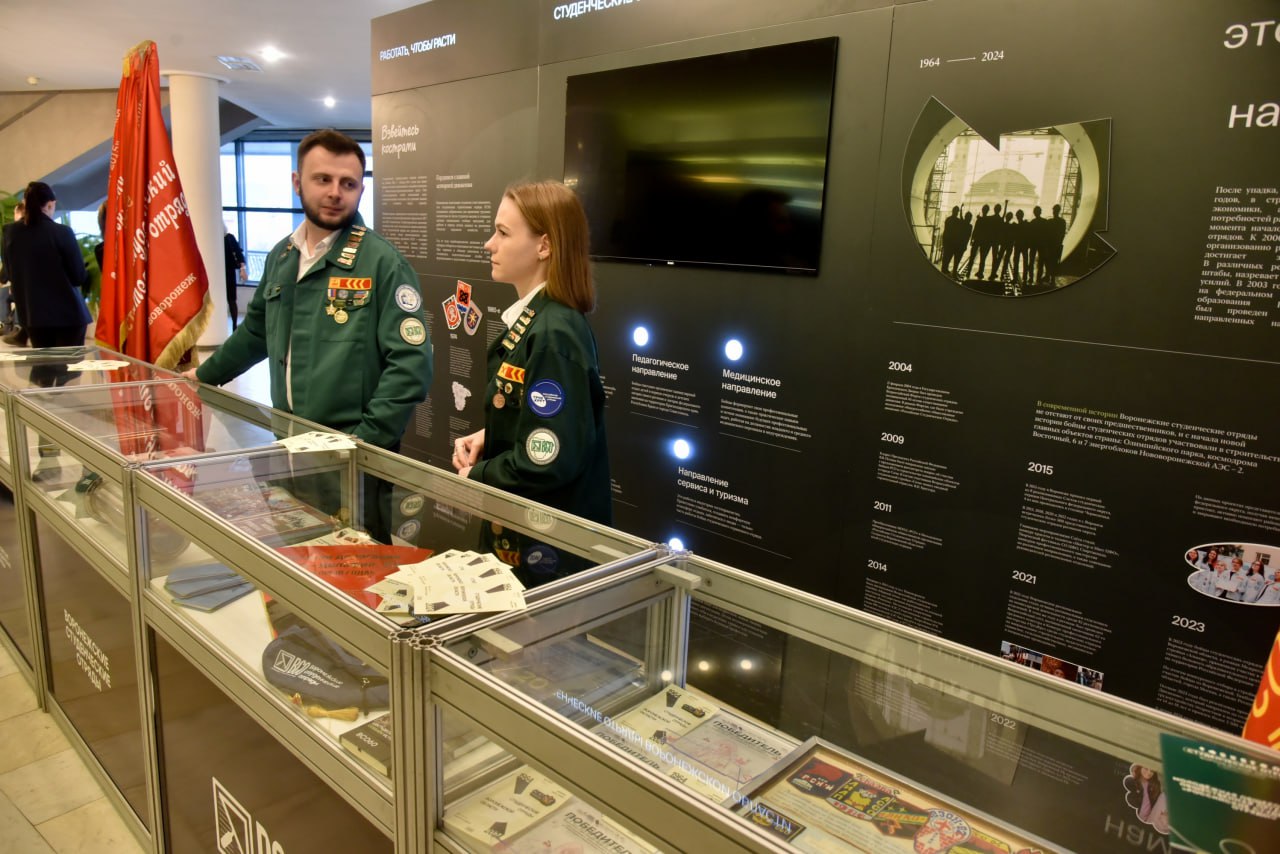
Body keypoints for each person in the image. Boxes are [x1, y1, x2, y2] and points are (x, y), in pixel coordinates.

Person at [191, 129, 432, 451]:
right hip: (288, 439)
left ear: (361, 189)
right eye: (323, 179)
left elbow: (410, 364)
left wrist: (368, 440)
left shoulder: (383, 263)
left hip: (352, 449)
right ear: (297, 182)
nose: (336, 193)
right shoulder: (282, 256)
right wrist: (206, 375)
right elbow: (256, 331)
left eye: (348, 183)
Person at [452, 180, 611, 526]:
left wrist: (477, 477)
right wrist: (489, 436)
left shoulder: (554, 332)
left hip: (546, 541)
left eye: (503, 233)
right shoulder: (537, 319)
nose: (489, 244)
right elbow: (534, 420)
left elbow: (548, 458)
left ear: (544, 246)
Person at [2, 182, 89, 349]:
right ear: (50, 204)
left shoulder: (10, 233)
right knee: (68, 370)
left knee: (43, 368)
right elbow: (78, 277)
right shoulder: (62, 232)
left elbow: (9, 272)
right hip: (68, 317)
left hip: (33, 317)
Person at [0, 201, 27, 342]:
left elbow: (11, 262)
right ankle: (5, 324)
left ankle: (17, 326)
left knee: (16, 293)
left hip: (25, 282)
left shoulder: (13, 233)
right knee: (3, 293)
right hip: (18, 280)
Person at [223, 224, 247, 330]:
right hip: (217, 273)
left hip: (228, 272)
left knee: (231, 299)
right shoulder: (211, 239)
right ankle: (231, 325)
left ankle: (234, 325)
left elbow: (238, 253)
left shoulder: (229, 238)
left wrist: (243, 270)